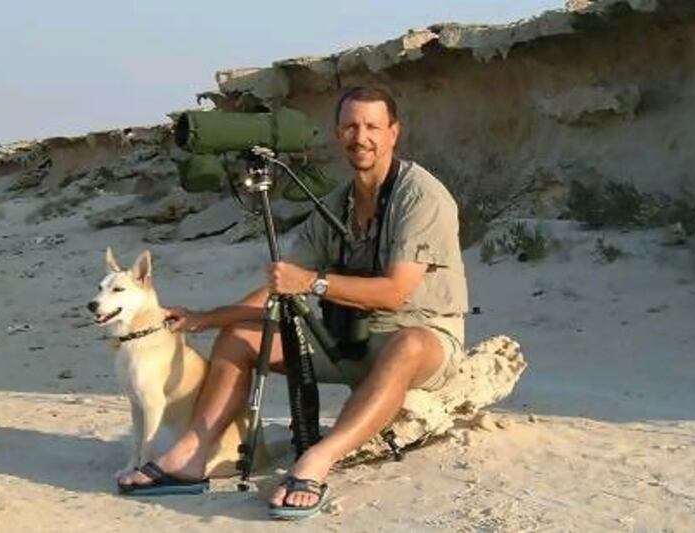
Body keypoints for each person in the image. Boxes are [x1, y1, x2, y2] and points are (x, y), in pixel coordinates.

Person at [118, 86, 468, 520]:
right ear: (338, 134)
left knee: (409, 344)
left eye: (373, 126)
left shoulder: (421, 196)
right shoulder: (336, 202)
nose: (362, 137)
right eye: (351, 126)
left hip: (424, 340)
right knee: (242, 334)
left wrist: (313, 283)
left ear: (394, 132)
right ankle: (192, 454)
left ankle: (317, 462)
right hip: (347, 335)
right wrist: (206, 319)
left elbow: (395, 292)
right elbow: (281, 284)